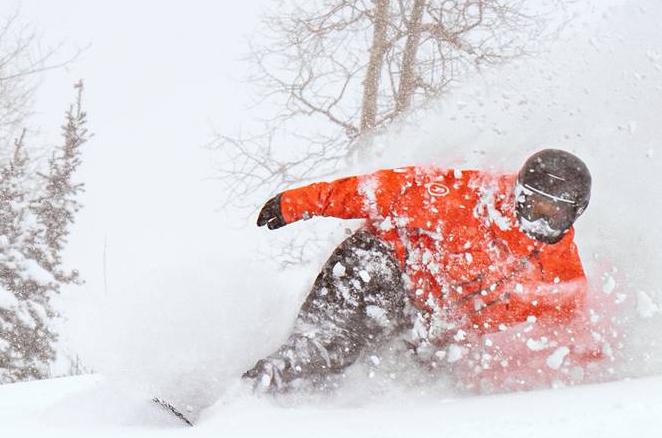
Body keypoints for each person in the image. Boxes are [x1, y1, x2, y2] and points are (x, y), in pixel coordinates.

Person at [242, 148, 613, 395]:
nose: (538, 221)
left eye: (554, 214)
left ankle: (288, 410)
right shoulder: (466, 196)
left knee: (392, 369)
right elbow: (380, 190)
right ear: (517, 192)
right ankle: (253, 392)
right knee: (330, 345)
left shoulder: (561, 273)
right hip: (379, 264)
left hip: (423, 317)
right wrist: (297, 203)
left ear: (575, 213)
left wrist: (595, 375)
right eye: (530, 205)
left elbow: (570, 331)